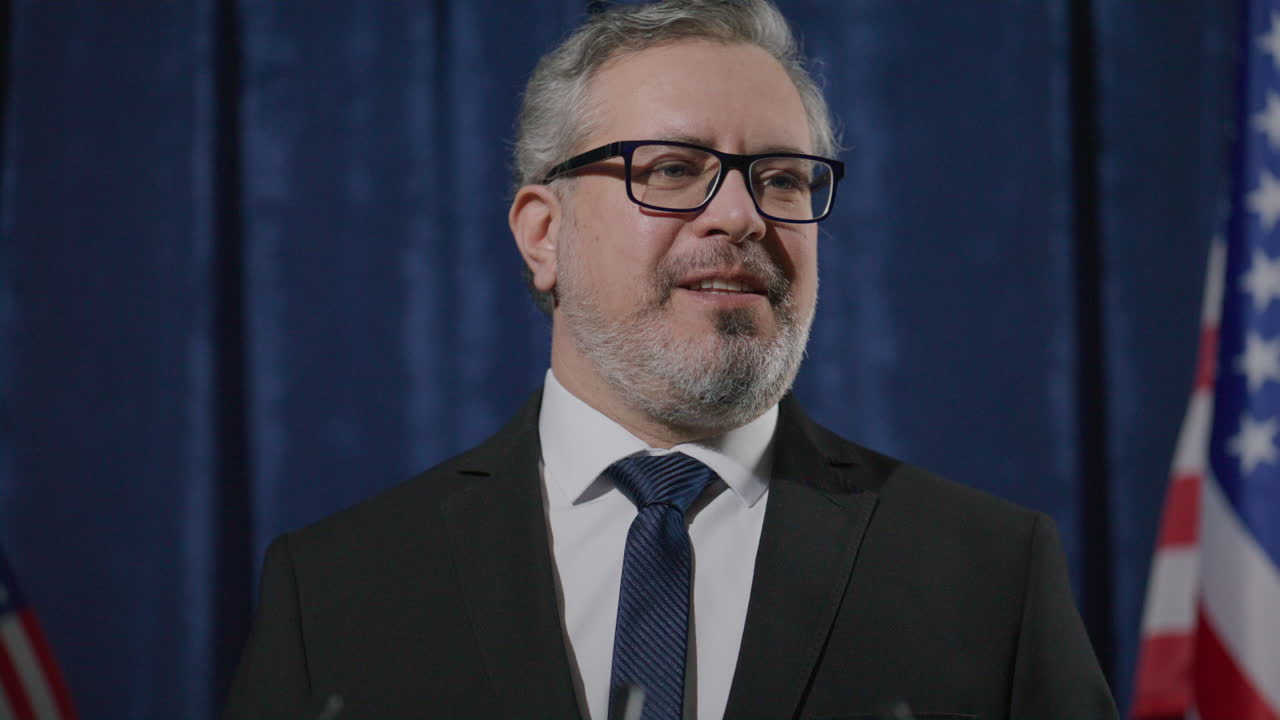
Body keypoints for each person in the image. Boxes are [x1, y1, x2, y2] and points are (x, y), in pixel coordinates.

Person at [224, 2, 1119, 719]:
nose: (740, 216)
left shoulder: (990, 575)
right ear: (544, 234)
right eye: (672, 169)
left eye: (782, 178)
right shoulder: (338, 590)